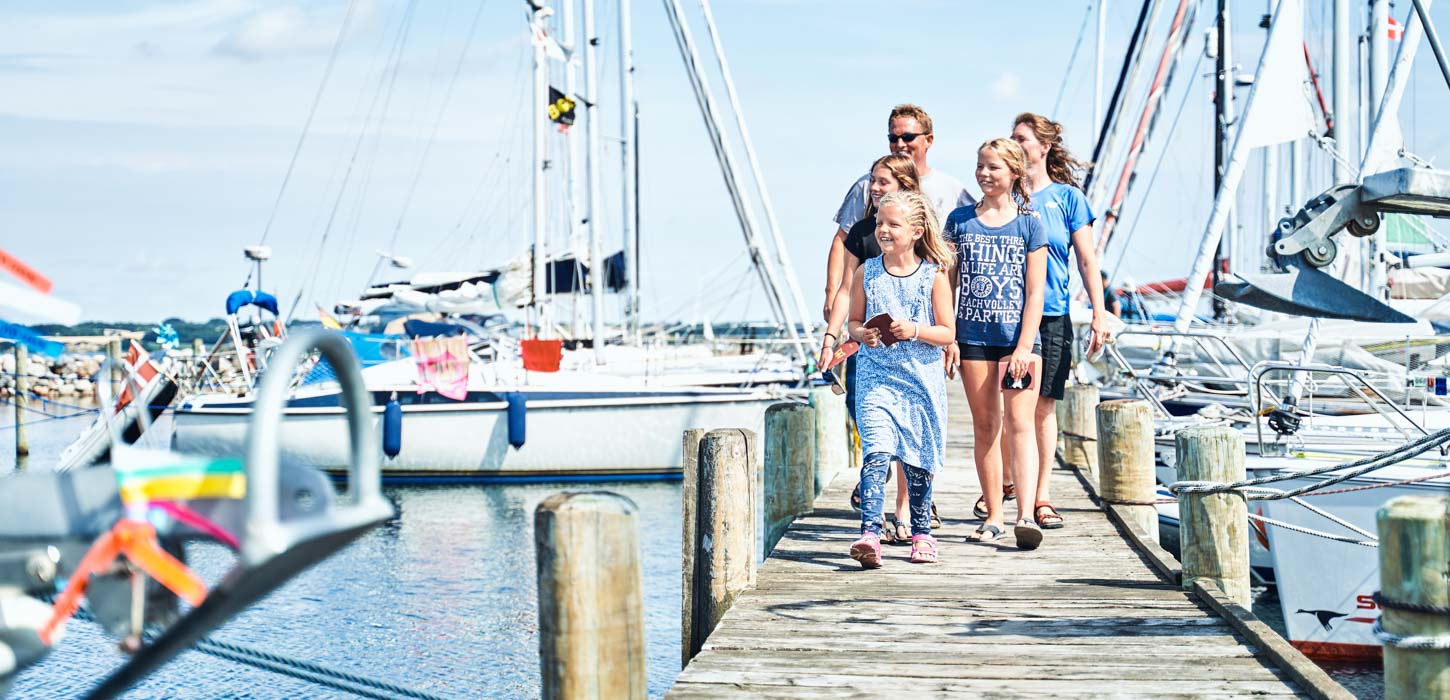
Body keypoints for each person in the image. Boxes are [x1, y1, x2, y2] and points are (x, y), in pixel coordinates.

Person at [1004, 112, 1110, 531]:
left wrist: (1100, 313)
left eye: (1022, 138)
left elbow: (1086, 260)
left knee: (1044, 407)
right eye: (1012, 137)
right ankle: (1006, 485)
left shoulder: (1067, 198)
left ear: (1044, 146)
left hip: (1051, 315)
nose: (1015, 144)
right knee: (1010, 408)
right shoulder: (1005, 194)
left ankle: (1042, 496)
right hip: (1006, 316)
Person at [845, 190, 956, 568]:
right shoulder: (866, 272)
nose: (883, 230)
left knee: (917, 459)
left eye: (893, 224)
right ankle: (870, 534)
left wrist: (915, 329)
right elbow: (853, 322)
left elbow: (947, 332)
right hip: (876, 379)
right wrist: (862, 334)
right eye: (879, 222)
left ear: (916, 231)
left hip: (920, 382)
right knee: (876, 452)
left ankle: (922, 533)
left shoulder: (933, 276)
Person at [945, 138, 1047, 550]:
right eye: (980, 166)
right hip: (972, 338)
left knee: (1020, 424)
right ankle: (993, 516)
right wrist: (949, 336)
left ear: (1014, 173)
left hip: (1018, 343)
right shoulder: (959, 221)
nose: (984, 174)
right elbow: (947, 284)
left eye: (994, 167)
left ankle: (1026, 514)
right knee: (986, 425)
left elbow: (1035, 293)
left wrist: (1023, 347)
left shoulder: (1030, 224)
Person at [819, 154, 921, 543]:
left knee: (910, 429)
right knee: (870, 423)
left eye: (884, 182)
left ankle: (904, 512)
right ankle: (875, 515)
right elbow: (846, 290)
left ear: (904, 186)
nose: (875, 188)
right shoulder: (863, 232)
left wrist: (947, 340)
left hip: (911, 347)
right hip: (868, 345)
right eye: (873, 181)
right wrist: (830, 339)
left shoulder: (920, 230)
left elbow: (938, 286)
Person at [823, 104, 974, 324]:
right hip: (873, 309)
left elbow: (970, 239)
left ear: (929, 140)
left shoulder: (952, 188)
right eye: (893, 138)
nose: (900, 144)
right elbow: (843, 240)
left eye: (908, 137)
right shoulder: (866, 185)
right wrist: (831, 293)